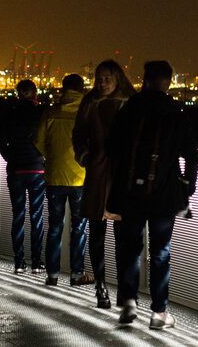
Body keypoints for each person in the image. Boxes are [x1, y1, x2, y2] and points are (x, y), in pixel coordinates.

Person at [107, 61, 198, 329]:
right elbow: (192, 155)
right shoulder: (175, 112)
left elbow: (113, 147)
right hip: (164, 196)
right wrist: (187, 187)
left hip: (130, 194)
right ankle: (159, 314)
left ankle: (129, 304)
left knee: (130, 249)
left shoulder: (130, 109)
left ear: (145, 79)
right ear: (169, 81)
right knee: (160, 253)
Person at [72, 60, 136, 308]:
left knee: (123, 237)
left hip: (120, 175)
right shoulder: (90, 102)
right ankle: (102, 286)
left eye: (107, 77)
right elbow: (78, 134)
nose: (102, 82)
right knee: (98, 234)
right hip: (99, 174)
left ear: (118, 78)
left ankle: (121, 288)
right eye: (99, 77)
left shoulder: (130, 102)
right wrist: (85, 156)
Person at [34, 74, 92, 287]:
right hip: (80, 178)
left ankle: (52, 274)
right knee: (79, 227)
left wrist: (51, 159)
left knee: (55, 226)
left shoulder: (51, 112)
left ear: (63, 89)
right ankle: (77, 273)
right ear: (82, 90)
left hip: (55, 177)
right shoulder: (87, 114)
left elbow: (38, 141)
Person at [0, 80, 46, 274]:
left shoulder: (10, 113)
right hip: (37, 170)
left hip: (16, 170)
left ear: (18, 93)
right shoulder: (41, 113)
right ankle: (37, 262)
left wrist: (12, 158)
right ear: (35, 93)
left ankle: (19, 262)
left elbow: (0, 142)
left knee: (18, 215)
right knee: (37, 216)